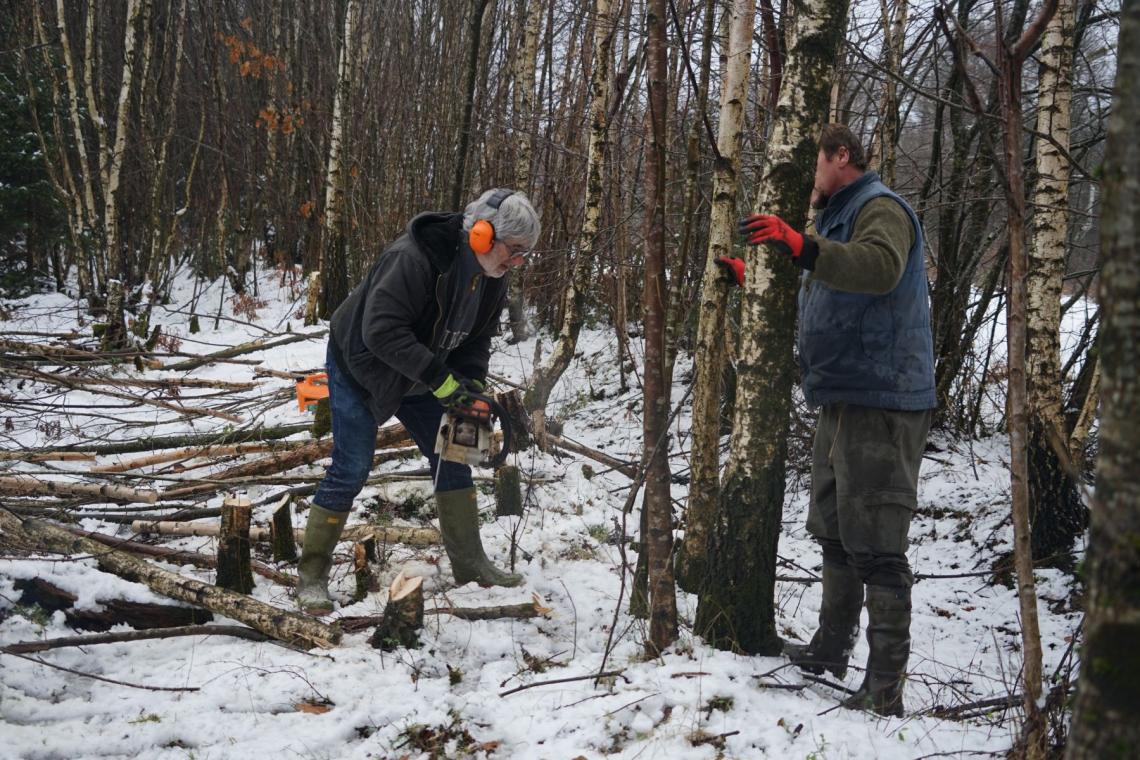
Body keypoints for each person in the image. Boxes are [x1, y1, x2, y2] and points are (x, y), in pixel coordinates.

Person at [728, 124, 935, 716]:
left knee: (877, 538)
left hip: (883, 398)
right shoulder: (836, 219)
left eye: (814, 162)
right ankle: (830, 648)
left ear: (841, 156)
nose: (808, 178)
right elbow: (826, 293)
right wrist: (757, 282)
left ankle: (885, 685)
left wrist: (804, 248)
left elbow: (879, 269)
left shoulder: (880, 209)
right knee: (836, 526)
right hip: (842, 395)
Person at [297, 188, 541, 615]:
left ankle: (471, 564)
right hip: (362, 366)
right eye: (514, 251)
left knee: (455, 452)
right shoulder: (413, 259)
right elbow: (381, 332)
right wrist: (441, 381)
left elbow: (477, 338)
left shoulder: (491, 277)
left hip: (424, 369)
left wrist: (469, 385)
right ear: (482, 234)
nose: (516, 262)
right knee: (351, 466)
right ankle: (312, 576)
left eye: (523, 255)